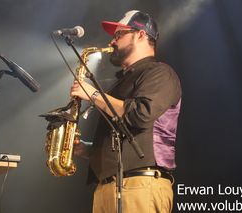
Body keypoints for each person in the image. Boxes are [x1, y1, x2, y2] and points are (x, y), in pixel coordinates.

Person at [71, 10, 181, 213]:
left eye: (119, 34)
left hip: (140, 186)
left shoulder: (160, 73)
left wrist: (94, 95)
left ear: (140, 35)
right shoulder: (121, 82)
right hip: (107, 188)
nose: (112, 41)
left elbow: (140, 115)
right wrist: (88, 149)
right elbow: (124, 134)